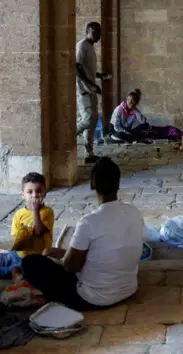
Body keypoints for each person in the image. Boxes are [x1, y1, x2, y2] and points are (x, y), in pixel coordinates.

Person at [22, 158, 144, 311]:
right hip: (128, 289)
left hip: (92, 298)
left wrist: (58, 254)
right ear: (118, 184)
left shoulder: (88, 222)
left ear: (92, 184)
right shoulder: (134, 212)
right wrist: (61, 252)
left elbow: (70, 266)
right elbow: (103, 253)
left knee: (30, 263)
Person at [0, 173, 55, 280]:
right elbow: (15, 239)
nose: (34, 195)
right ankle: (14, 269)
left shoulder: (47, 212)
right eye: (30, 192)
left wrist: (35, 211)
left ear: (45, 193)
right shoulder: (19, 214)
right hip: (17, 254)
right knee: (5, 258)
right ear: (23, 195)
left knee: (28, 272)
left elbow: (38, 231)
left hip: (34, 258)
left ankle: (13, 271)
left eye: (38, 191)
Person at [76, 21, 103, 164]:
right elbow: (76, 67)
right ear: (87, 32)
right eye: (94, 32)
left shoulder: (90, 48)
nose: (97, 35)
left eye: (99, 32)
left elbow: (87, 70)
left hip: (91, 89)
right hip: (83, 90)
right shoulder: (82, 46)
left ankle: (89, 153)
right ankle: (67, 137)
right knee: (87, 119)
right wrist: (91, 84)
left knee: (93, 121)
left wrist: (99, 76)